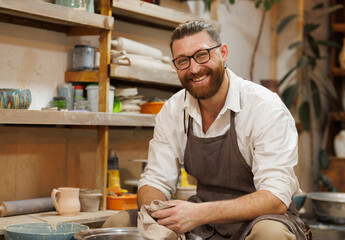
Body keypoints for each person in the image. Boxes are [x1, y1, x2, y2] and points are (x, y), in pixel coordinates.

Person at [103, 20, 311, 240]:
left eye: (202, 55)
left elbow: (275, 198)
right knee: (118, 223)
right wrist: (160, 216)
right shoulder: (174, 110)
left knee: (270, 235)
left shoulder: (264, 106)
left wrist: (198, 214)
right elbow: (155, 181)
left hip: (261, 220)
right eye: (183, 61)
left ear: (223, 53)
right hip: (202, 222)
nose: (194, 69)